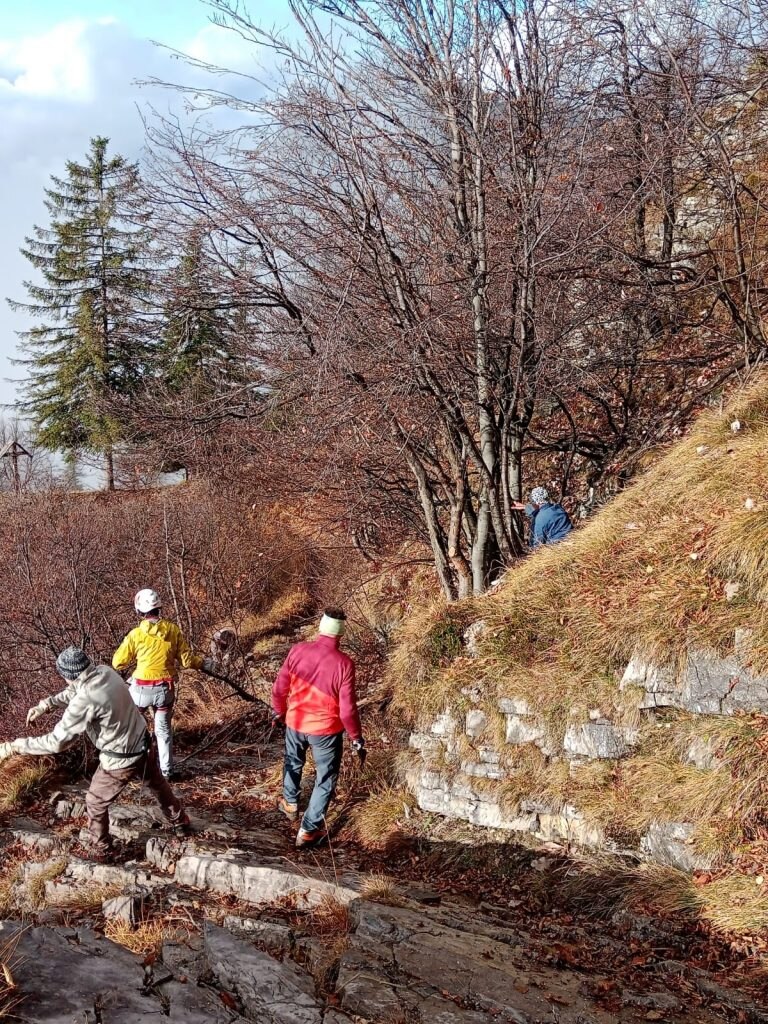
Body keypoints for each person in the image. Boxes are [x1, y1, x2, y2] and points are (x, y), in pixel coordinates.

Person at [4, 646, 190, 861]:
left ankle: (101, 850)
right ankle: (179, 821)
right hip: (142, 743)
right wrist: (47, 704)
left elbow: (57, 742)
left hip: (120, 759)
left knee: (95, 802)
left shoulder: (86, 699)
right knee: (157, 785)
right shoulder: (105, 672)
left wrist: (15, 746)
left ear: (67, 675)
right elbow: (75, 690)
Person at [271, 608, 365, 849]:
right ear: (341, 634)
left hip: (295, 722)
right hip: (325, 730)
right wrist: (356, 737)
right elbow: (347, 709)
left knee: (293, 761)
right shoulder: (344, 664)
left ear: (320, 627)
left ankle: (290, 804)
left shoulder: (298, 651)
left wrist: (279, 711)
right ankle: (308, 830)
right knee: (325, 777)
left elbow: (279, 688)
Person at [112, 589, 216, 780]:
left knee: (131, 726)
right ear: (159, 608)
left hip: (141, 689)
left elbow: (117, 662)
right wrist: (205, 663)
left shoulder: (136, 635)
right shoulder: (173, 630)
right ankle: (167, 771)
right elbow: (186, 661)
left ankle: (127, 767)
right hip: (165, 689)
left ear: (139, 611)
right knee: (163, 731)